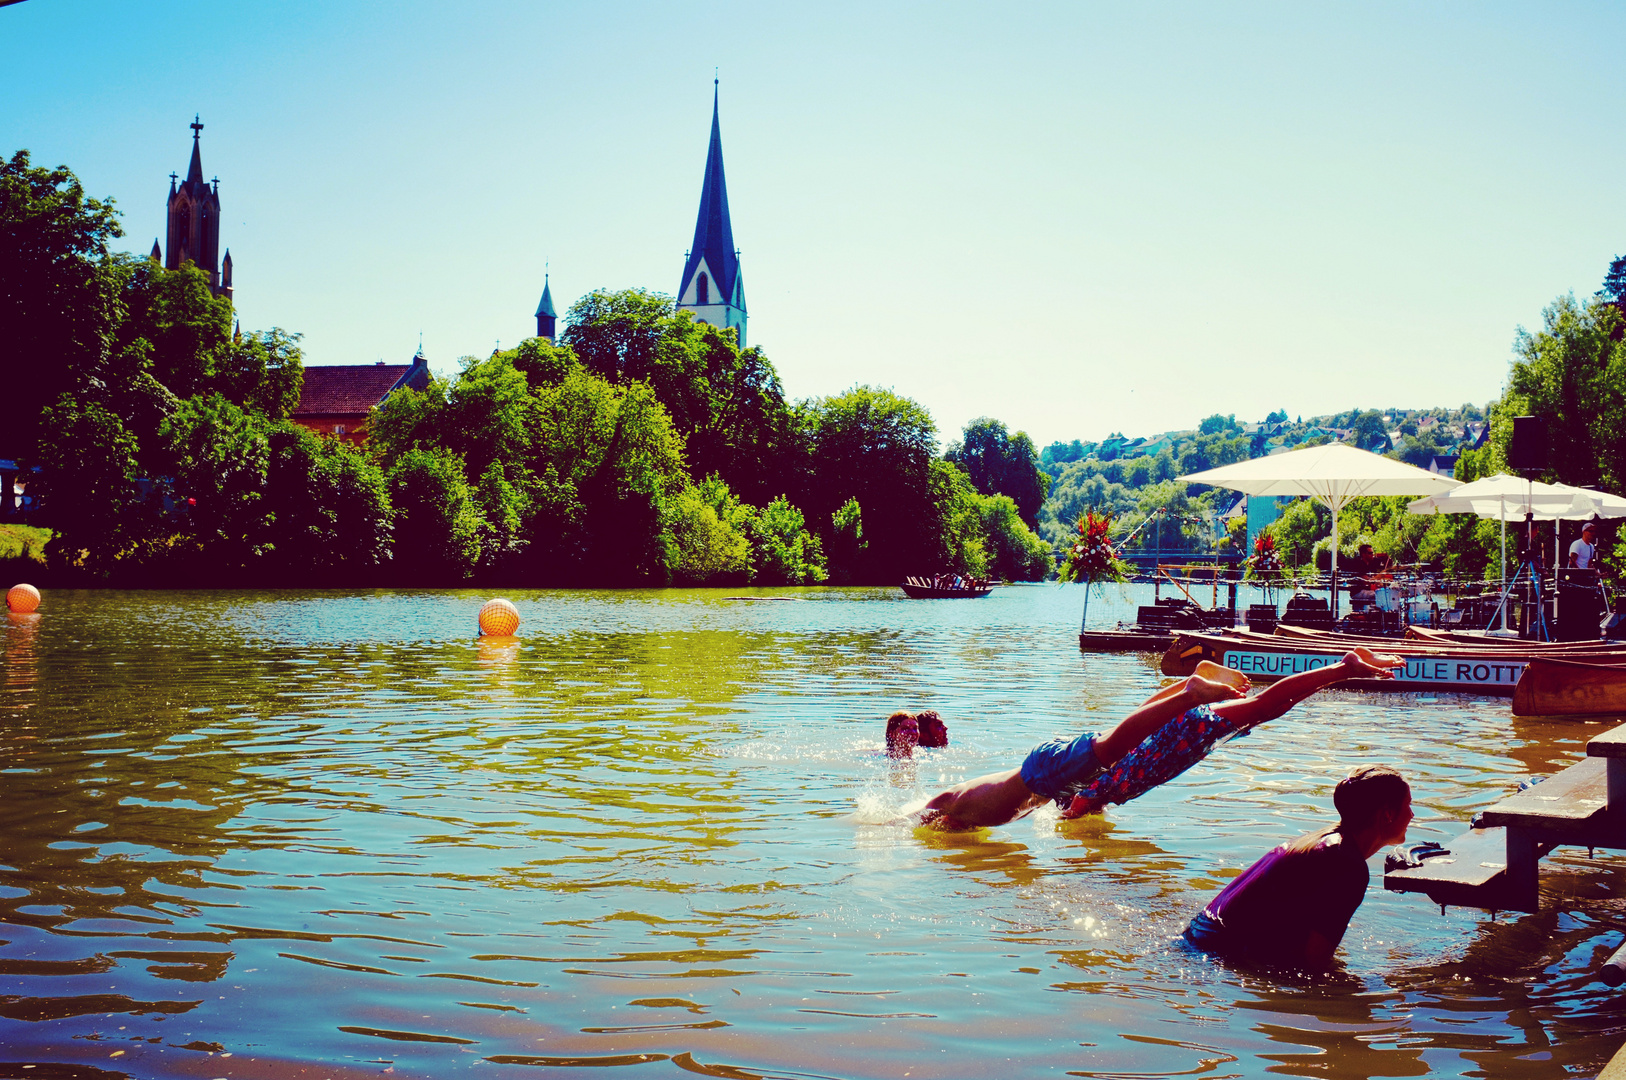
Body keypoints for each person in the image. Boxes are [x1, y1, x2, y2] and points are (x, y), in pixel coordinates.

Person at [916, 648, 1404, 831]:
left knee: (1110, 748)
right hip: (1165, 746)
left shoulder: (1062, 791)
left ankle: (1191, 689)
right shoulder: (1020, 799)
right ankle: (1341, 669)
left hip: (1065, 763)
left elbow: (1085, 798)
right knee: (1268, 709)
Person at [1184, 764, 1413, 969]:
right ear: (1388, 814)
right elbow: (1314, 962)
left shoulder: (1324, 841)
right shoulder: (1348, 866)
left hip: (1197, 941)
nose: (1412, 814)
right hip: (1214, 956)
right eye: (1408, 805)